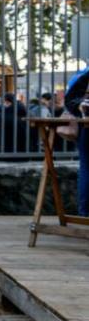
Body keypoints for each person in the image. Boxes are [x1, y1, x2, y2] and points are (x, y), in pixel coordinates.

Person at [64, 67, 89, 217]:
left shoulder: (85, 76)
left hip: (87, 126)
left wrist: (80, 106)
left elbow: (70, 100)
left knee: (86, 167)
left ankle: (85, 213)